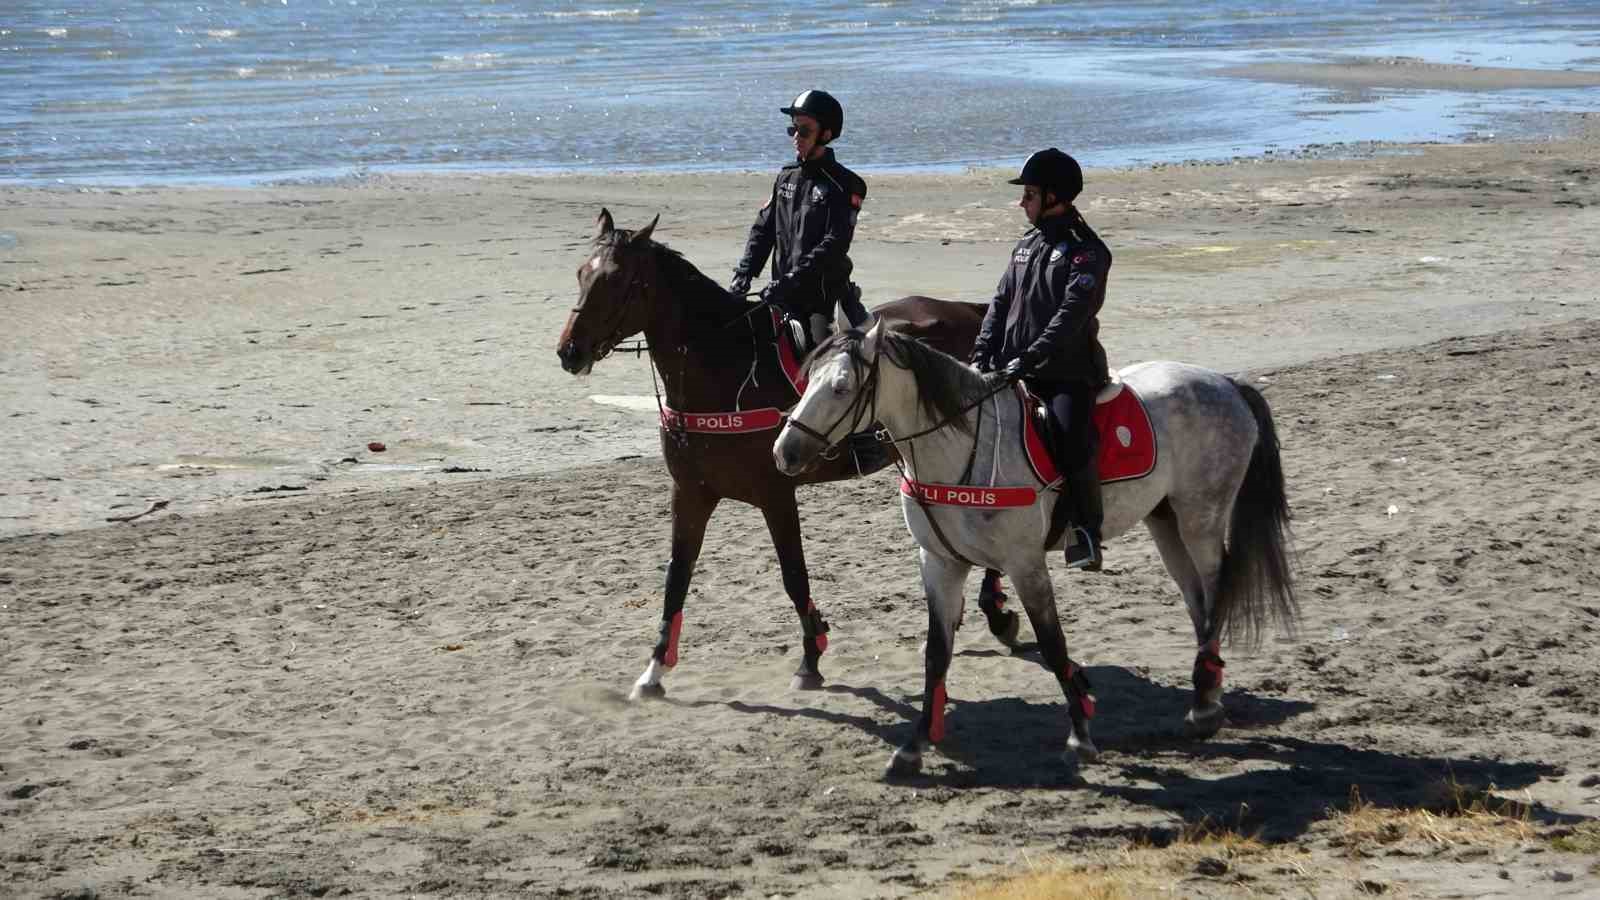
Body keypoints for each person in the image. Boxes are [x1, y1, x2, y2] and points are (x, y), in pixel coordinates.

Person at [970, 148, 1112, 571]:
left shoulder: (1088, 252)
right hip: (1016, 369)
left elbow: (1070, 318)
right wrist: (981, 353)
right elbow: (999, 303)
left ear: (1055, 197)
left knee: (1071, 437)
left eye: (1029, 194)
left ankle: (1086, 531)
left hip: (1066, 374)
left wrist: (1028, 359)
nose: (1022, 202)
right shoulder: (1025, 245)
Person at [730, 89, 869, 349]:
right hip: (781, 294)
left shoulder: (845, 185)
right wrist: (745, 272)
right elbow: (764, 229)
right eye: (792, 130)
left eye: (804, 131)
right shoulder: (786, 177)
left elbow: (835, 244)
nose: (796, 137)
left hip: (822, 300)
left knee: (822, 360)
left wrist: (791, 279)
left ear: (825, 135)